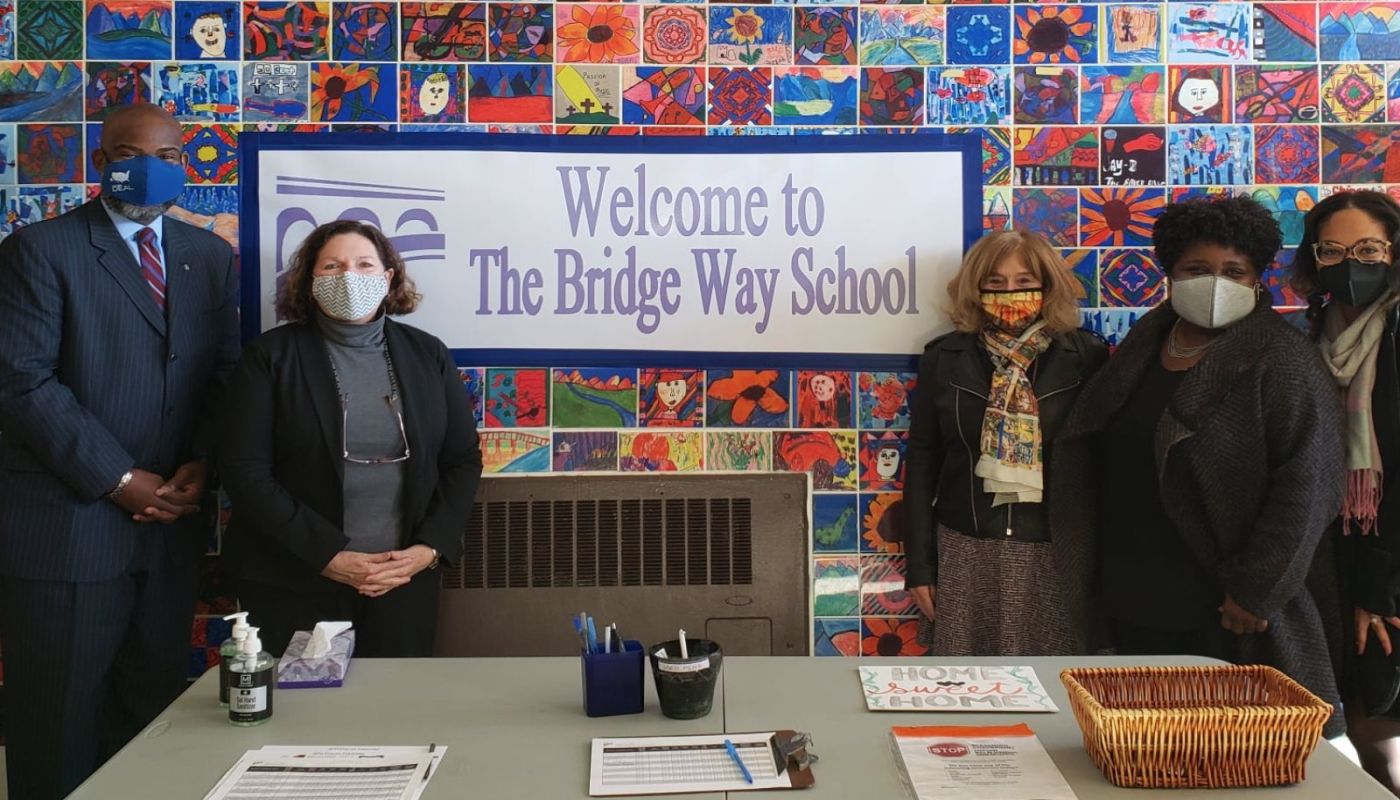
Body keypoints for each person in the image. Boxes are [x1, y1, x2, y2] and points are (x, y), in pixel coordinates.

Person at [0, 103, 241, 800]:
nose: (154, 169)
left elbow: (222, 375)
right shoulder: (39, 250)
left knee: (150, 719)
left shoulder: (209, 256)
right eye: (134, 155)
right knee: (58, 727)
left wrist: (202, 462)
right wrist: (118, 478)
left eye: (170, 156)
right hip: (68, 534)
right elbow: (21, 383)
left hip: (170, 532)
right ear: (102, 162)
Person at [1052, 195, 1347, 736]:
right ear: (1170, 273)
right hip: (1131, 585)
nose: (1214, 282)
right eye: (1196, 269)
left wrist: (1256, 589)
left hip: (1221, 602)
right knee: (1138, 744)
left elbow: (1309, 486)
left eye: (1233, 271)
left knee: (1218, 747)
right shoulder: (1147, 341)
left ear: (1256, 279)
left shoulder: (1283, 360)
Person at [218, 219, 482, 658]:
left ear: (388, 277)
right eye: (332, 266)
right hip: (295, 578)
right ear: (310, 281)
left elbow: (462, 460)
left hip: (402, 579)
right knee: (304, 700)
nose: (348, 276)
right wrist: (327, 556)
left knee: (396, 700)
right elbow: (244, 471)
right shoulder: (269, 357)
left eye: (364, 265)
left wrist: (429, 549)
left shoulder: (427, 353)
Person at [903, 229, 1107, 656]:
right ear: (975, 290)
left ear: (1047, 286)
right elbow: (922, 461)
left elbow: (1101, 462)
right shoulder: (944, 357)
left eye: (1023, 281)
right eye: (995, 282)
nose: (1010, 293)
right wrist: (920, 566)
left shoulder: (1086, 357)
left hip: (1053, 551)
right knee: (966, 684)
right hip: (965, 547)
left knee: (1053, 680)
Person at [1292, 190, 1400, 793]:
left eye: (1368, 250)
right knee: (1356, 722)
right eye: (1332, 251)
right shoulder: (1317, 331)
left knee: (1381, 731)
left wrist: (1376, 590)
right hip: (1333, 552)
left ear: (1394, 252)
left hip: (1384, 563)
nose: (1350, 264)